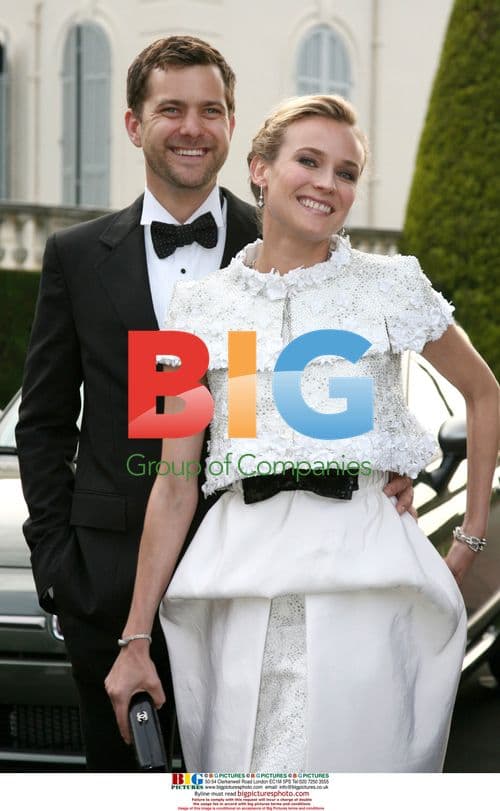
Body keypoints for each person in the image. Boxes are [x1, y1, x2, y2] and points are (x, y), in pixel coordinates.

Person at [16, 39, 414, 771]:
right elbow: (41, 422)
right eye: (171, 108)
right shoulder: (75, 255)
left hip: (257, 583)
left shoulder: (294, 241)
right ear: (135, 125)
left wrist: (388, 462)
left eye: (212, 110)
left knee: (250, 784)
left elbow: (346, 386)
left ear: (235, 130)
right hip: (107, 585)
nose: (193, 126)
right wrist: (58, 565)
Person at [105, 92, 499, 772]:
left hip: (365, 576)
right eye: (309, 160)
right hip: (236, 579)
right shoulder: (191, 308)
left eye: (346, 172)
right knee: (240, 774)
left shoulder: (393, 283)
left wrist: (469, 538)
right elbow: (172, 486)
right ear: (259, 168)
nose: (328, 183)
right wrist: (135, 636)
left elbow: (486, 391)